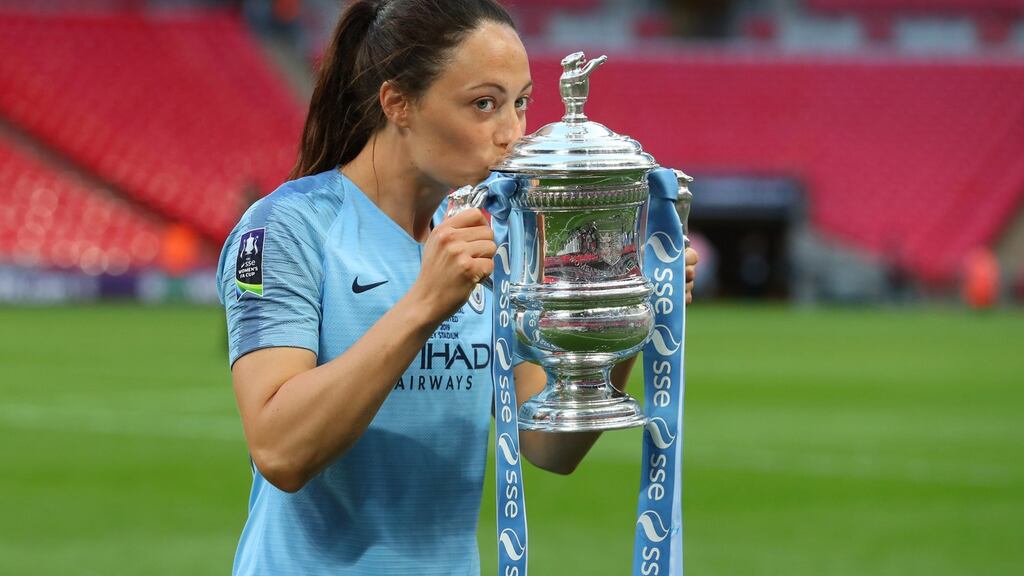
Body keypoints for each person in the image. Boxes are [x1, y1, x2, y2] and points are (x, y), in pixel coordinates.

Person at [216, 1, 700, 574]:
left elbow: (548, 447)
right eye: (484, 104)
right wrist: (424, 304)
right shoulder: (288, 228)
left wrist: (615, 310)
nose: (513, 135)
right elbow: (279, 450)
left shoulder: (499, 235)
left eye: (520, 103)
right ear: (397, 103)